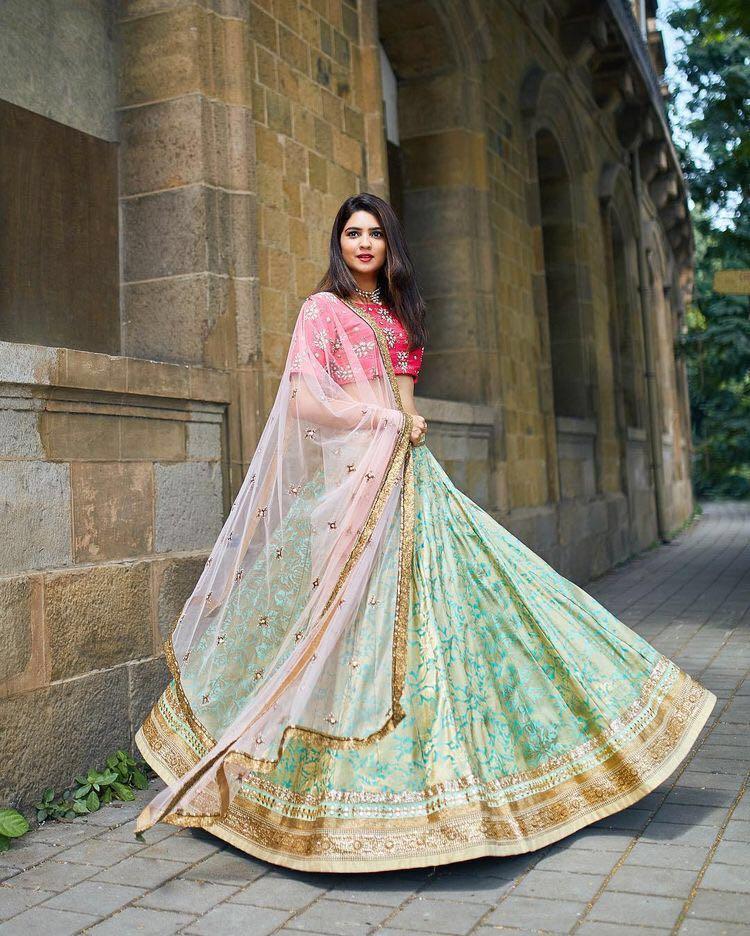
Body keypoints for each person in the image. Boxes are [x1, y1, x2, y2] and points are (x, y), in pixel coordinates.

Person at [134, 192, 716, 873]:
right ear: (338, 242)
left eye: (374, 234)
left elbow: (404, 404)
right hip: (346, 491)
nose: (362, 243)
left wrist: (406, 421)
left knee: (486, 598)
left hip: (410, 482)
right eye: (352, 233)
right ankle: (304, 792)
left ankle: (508, 767)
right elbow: (307, 400)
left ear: (389, 245)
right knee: (336, 634)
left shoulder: (400, 314)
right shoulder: (322, 312)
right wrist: (381, 422)